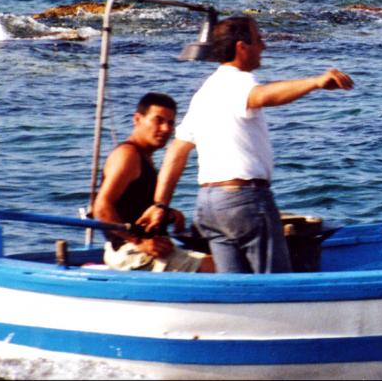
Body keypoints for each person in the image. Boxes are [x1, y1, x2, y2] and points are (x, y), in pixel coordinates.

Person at [138, 17, 353, 273]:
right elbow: (262, 96)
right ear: (242, 47)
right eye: (259, 39)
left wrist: (160, 204)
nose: (264, 46)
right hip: (244, 201)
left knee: (235, 285)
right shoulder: (237, 81)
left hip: (209, 205)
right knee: (273, 284)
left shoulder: (205, 92)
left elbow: (176, 151)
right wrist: (315, 82)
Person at [93, 92, 214, 272]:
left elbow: (133, 206)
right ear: (137, 119)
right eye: (158, 120)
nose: (166, 128)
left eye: (171, 123)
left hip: (145, 246)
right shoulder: (128, 155)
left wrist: (171, 214)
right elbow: (101, 208)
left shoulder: (143, 157)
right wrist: (139, 241)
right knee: (224, 266)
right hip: (132, 252)